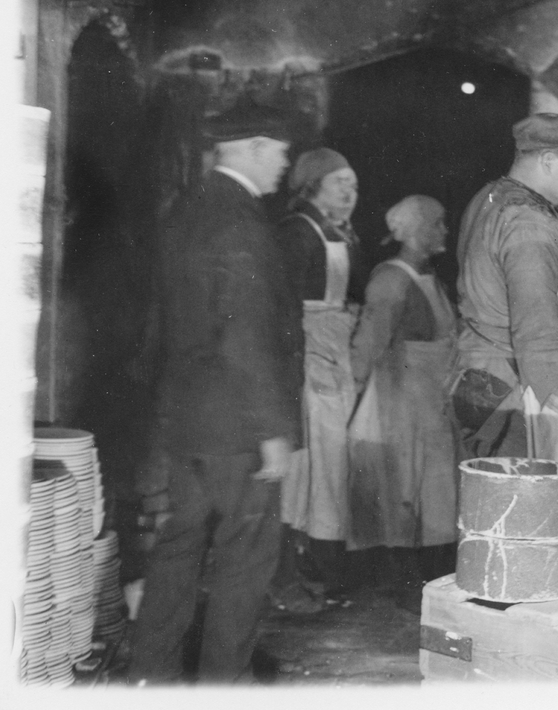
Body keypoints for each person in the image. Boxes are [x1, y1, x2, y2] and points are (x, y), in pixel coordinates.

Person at [128, 97, 302, 683]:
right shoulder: (244, 224)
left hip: (185, 422)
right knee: (245, 560)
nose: (284, 165)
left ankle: (150, 678)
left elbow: (160, 325)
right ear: (254, 148)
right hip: (238, 429)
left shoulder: (186, 211)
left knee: (176, 552)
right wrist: (272, 429)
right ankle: (224, 684)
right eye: (280, 153)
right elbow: (245, 335)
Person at [449, 113, 558, 473]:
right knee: (522, 495)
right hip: (512, 382)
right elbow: (537, 330)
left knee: (487, 490)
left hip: (477, 373)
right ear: (548, 161)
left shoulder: (490, 197)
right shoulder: (528, 223)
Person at [347, 196, 459, 596]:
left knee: (436, 492)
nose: (444, 230)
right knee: (404, 488)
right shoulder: (391, 280)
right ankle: (405, 583)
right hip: (400, 402)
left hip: (431, 398)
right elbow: (368, 344)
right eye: (437, 223)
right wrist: (354, 392)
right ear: (414, 231)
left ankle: (435, 580)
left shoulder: (430, 275)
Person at [274, 148, 365, 606]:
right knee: (308, 467)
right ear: (312, 185)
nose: (350, 192)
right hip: (308, 359)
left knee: (331, 465)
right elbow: (282, 308)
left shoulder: (341, 232)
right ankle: (292, 571)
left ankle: (320, 564)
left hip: (335, 354)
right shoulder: (296, 233)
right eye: (339, 182)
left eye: (354, 184)